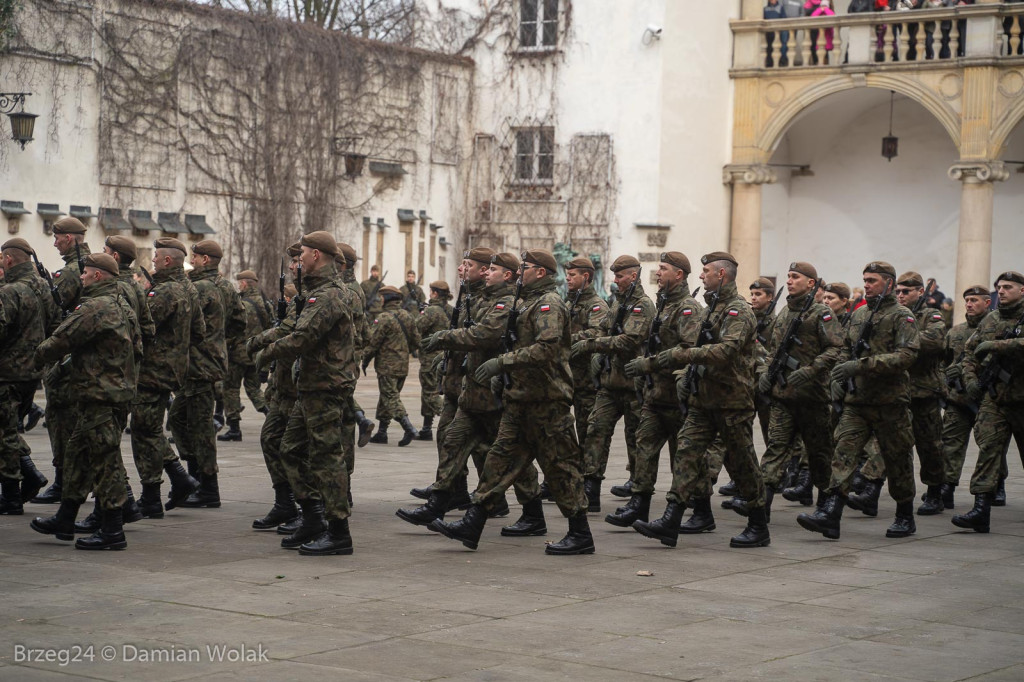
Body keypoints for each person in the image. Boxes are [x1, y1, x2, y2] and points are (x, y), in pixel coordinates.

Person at [427, 249, 595, 555]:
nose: (519, 272)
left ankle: (580, 533)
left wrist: (501, 363)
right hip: (520, 401)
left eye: (525, 267)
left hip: (547, 402)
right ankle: (473, 523)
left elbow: (546, 349)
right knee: (498, 461)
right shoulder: (526, 302)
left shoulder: (548, 303)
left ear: (540, 272)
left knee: (562, 468)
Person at [632, 252, 770, 549]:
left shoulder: (738, 311)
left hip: (731, 402)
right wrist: (685, 372)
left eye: (706, 271)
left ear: (721, 274)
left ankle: (759, 523)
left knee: (743, 463)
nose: (701, 275)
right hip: (702, 400)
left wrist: (677, 356)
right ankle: (671, 519)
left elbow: (725, 352)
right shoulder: (710, 310)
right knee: (686, 455)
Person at [400, 252, 542, 532]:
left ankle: (533, 513)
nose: (486, 273)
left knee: (512, 458)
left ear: (507, 275)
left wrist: (442, 338)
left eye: (492, 269)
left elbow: (483, 334)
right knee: (452, 442)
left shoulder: (507, 303)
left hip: (493, 396)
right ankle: (439, 502)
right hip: (472, 393)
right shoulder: (479, 299)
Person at [798, 261, 920, 540]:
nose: (866, 285)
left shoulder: (902, 316)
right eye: (865, 280)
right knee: (843, 454)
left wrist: (861, 366)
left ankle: (905, 514)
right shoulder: (860, 313)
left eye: (872, 280)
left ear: (889, 283)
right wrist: (839, 375)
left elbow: (907, 355)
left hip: (890, 402)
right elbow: (845, 348)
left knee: (897, 459)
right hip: (857, 402)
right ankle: (831, 514)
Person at [253, 231, 357, 555]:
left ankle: (339, 532)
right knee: (290, 448)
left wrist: (265, 353)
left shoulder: (328, 295)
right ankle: (312, 517)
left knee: (327, 456)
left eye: (305, 253)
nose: (300, 259)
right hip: (312, 386)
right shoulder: (316, 292)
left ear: (316, 255)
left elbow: (302, 337)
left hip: (326, 386)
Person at [30, 253, 142, 550]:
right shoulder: (122, 304)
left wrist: (37, 356)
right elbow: (140, 346)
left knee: (106, 462)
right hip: (113, 393)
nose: (81, 277)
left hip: (100, 396)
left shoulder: (95, 307)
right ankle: (65, 519)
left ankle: (113, 530)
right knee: (78, 456)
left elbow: (60, 341)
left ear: (97, 275)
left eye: (85, 273)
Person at [612, 252, 702, 527]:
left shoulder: (688, 308)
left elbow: (688, 350)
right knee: (644, 449)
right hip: (655, 395)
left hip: (677, 398)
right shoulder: (663, 305)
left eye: (663, 268)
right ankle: (639, 504)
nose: (658, 273)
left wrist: (649, 364)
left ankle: (701, 511)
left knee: (683, 458)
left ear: (679, 274)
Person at [751, 262, 842, 522]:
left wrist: (811, 370)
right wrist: (766, 373)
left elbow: (836, 348)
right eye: (788, 276)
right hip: (783, 398)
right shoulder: (784, 313)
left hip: (813, 398)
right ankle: (759, 515)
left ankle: (826, 510)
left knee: (819, 454)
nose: (789, 281)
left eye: (795, 277)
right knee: (775, 450)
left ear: (811, 283)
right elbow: (774, 352)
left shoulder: (822, 313)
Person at [570, 255, 655, 512]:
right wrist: (598, 352)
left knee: (636, 439)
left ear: (633, 276)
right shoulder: (618, 303)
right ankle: (590, 488)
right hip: (609, 383)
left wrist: (592, 345)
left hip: (633, 384)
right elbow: (604, 331)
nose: (616, 280)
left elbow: (629, 340)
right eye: (615, 276)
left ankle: (638, 492)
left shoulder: (642, 305)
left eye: (620, 276)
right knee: (596, 430)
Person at [128, 238, 201, 520]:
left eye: (156, 257)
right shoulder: (188, 288)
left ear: (167, 260)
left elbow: (142, 327)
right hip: (170, 369)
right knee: (149, 428)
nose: (153, 261)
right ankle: (177, 477)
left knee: (143, 431)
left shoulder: (165, 291)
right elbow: (199, 331)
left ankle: (152, 496)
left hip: (152, 371)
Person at [952, 271, 1024, 534]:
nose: (1001, 291)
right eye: (999, 287)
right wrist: (971, 380)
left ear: (1022, 290)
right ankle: (981, 509)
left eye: (1008, 287)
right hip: (995, 399)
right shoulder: (991, 318)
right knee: (988, 450)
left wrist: (997, 346)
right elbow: (970, 353)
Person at [34, 216, 93, 505]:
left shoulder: (70, 272)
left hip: (64, 355)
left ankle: (64, 482)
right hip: (80, 356)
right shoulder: (91, 265)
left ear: (69, 238)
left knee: (61, 419)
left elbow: (52, 312)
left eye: (57, 238)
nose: (55, 243)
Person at [168, 240, 229, 508]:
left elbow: (183, 323)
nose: (191, 260)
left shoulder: (200, 287)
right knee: (180, 418)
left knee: (200, 427)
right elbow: (238, 321)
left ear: (205, 260)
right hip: (203, 363)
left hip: (199, 366)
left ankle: (207, 488)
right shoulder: (224, 286)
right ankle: (194, 480)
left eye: (195, 256)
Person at [0, 239, 60, 514]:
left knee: (5, 435)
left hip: (7, 373)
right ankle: (30, 474)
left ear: (9, 259)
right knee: (9, 430)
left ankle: (11, 495)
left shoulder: (9, 291)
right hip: (32, 372)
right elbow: (56, 325)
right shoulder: (44, 287)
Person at [249, 243, 303, 532]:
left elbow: (288, 332)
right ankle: (285, 503)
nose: (293, 266)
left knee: (297, 449)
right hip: (283, 385)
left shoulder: (311, 297)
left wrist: (258, 345)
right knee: (270, 439)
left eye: (297, 260)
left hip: (300, 387)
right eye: (292, 261)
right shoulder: (299, 298)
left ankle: (310, 510)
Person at [553, 256, 608, 501]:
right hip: (565, 379)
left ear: (586, 277)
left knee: (589, 434)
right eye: (567, 274)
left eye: (572, 275)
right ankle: (561, 479)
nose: (567, 278)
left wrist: (567, 340)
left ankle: (589, 486)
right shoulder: (568, 301)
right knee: (561, 432)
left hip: (586, 382)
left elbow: (597, 332)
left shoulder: (597, 305)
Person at [939, 285, 992, 511]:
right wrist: (946, 379)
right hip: (958, 400)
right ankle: (947, 488)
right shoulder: (955, 332)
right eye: (967, 300)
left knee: (990, 446)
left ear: (987, 302)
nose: (969, 304)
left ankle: (996, 485)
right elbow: (942, 362)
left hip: (987, 400)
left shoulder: (996, 329)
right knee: (950, 444)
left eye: (974, 300)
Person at [219, 270, 273, 442]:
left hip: (238, 355)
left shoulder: (241, 304)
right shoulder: (266, 304)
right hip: (257, 355)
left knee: (231, 388)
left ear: (244, 283)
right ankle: (271, 416)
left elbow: (232, 329)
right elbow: (271, 329)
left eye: (239, 283)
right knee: (254, 389)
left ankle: (234, 428)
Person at [364, 286, 420, 446]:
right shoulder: (408, 316)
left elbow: (373, 343)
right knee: (387, 397)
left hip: (387, 366)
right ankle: (382, 432)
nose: (380, 300)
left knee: (390, 398)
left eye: (382, 297)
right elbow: (416, 341)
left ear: (387, 298)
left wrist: (365, 359)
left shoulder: (383, 318)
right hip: (403, 365)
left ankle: (409, 428)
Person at [415, 280, 454, 439]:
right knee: (431, 391)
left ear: (435, 293)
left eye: (431, 291)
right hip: (446, 357)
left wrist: (421, 313)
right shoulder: (450, 310)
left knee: (430, 394)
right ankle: (426, 428)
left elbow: (416, 327)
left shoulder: (431, 311)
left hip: (430, 359)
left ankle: (452, 422)